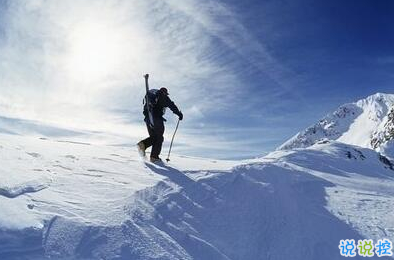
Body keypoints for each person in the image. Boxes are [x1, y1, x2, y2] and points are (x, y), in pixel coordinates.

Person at [137, 87, 183, 162]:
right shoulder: (163, 96)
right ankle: (154, 157)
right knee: (159, 137)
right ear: (164, 92)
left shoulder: (152, 96)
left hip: (148, 119)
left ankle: (143, 146)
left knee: (154, 137)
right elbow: (172, 105)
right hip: (156, 119)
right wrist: (179, 114)